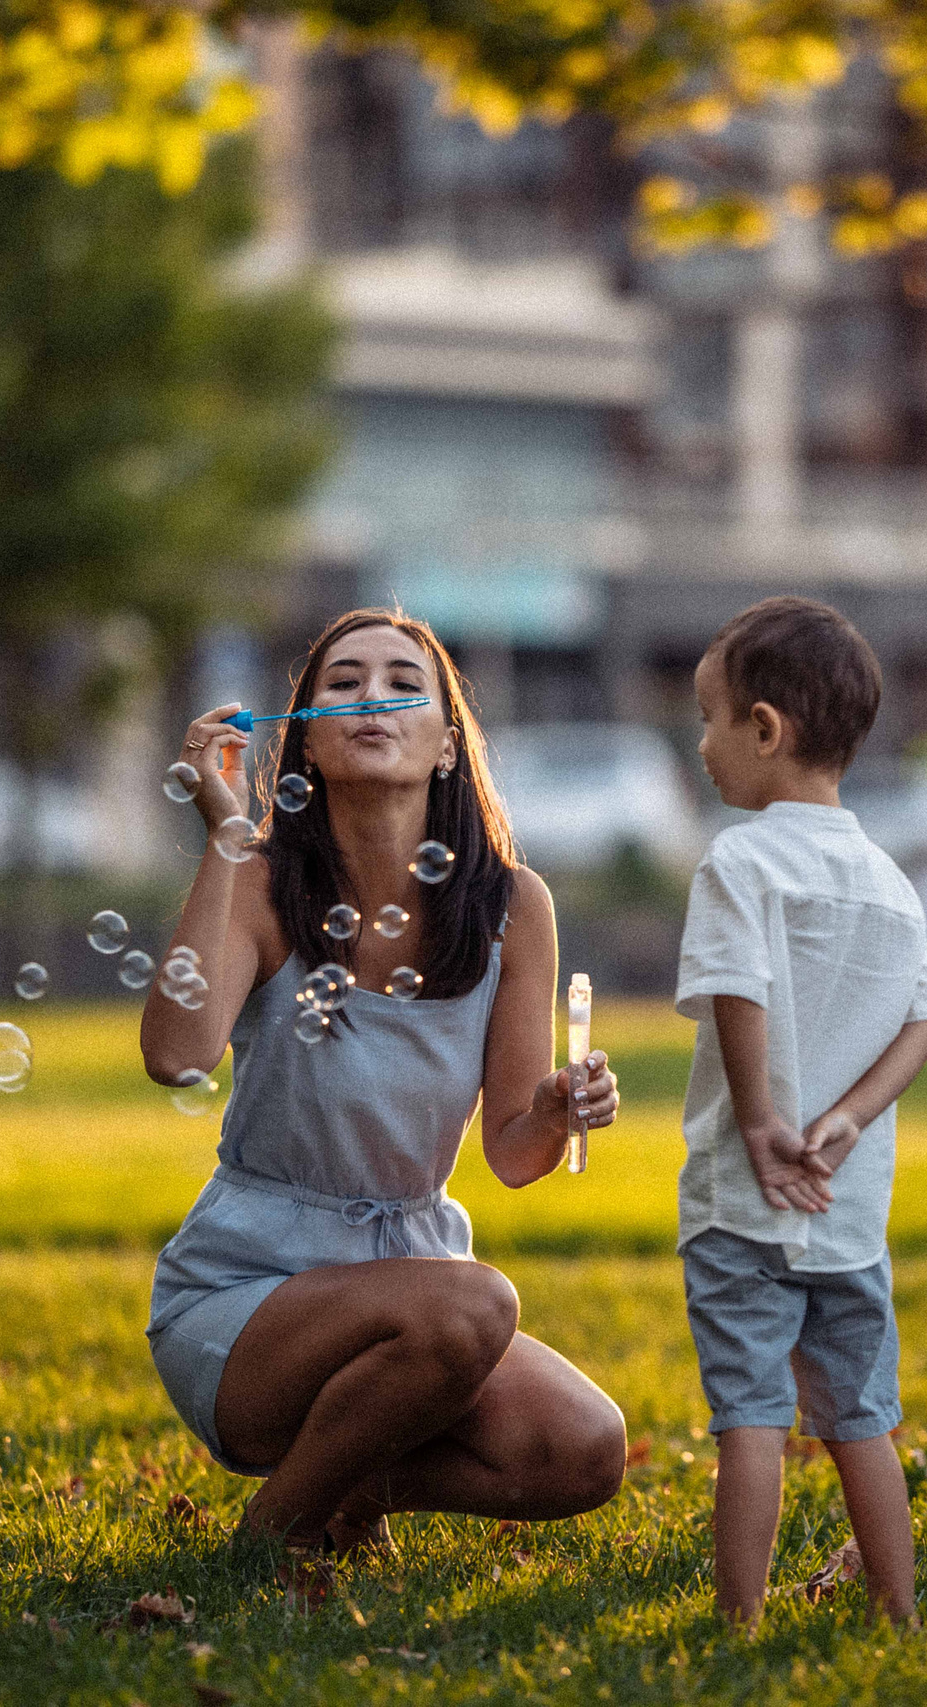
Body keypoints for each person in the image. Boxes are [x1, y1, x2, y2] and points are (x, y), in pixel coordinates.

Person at [141, 607, 628, 1555]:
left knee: (585, 1447)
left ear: (448, 743)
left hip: (414, 1298)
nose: (372, 696)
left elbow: (514, 1153)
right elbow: (176, 1054)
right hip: (249, 1295)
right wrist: (225, 838)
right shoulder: (262, 879)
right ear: (307, 745)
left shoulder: (510, 906)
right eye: (343, 682)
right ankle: (277, 1532)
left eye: (403, 682)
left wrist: (559, 1111)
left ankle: (345, 1484)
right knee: (477, 1301)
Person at [675, 597, 927, 1626]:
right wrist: (845, 1118)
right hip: (845, 1209)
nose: (700, 745)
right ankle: (900, 1614)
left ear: (764, 729)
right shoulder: (887, 879)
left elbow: (738, 992)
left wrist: (758, 1127)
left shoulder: (737, 862)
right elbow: (926, 1022)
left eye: (708, 719)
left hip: (740, 1207)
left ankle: (739, 1621)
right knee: (861, 1420)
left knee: (750, 1417)